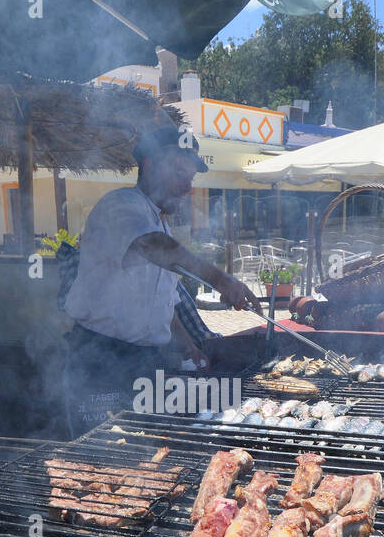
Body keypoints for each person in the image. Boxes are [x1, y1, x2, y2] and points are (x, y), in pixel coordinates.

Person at [61, 126, 259, 434]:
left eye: (191, 178)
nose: (187, 187)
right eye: (180, 173)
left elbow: (163, 298)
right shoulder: (120, 205)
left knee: (147, 452)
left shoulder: (156, 220)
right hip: (100, 359)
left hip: (142, 362)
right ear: (150, 164)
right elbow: (154, 247)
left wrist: (187, 346)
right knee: (102, 457)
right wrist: (221, 280)